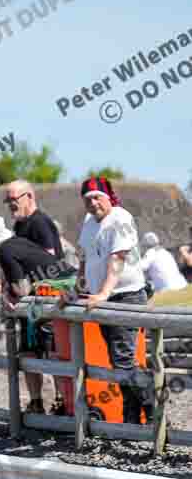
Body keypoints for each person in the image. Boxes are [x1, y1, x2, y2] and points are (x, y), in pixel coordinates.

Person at [75, 176, 152, 424]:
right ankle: (131, 417)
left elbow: (118, 258)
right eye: (87, 199)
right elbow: (85, 256)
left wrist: (104, 293)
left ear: (108, 197)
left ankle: (153, 405)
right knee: (118, 362)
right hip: (102, 297)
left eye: (97, 197)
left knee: (123, 361)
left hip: (125, 296)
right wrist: (80, 283)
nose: (93, 203)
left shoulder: (121, 218)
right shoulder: (88, 221)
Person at [0, 216, 74, 414]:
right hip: (59, 291)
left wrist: (7, 292)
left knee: (41, 352)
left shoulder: (4, 251)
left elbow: (21, 289)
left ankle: (48, 403)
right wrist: (2, 288)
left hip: (48, 300)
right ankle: (60, 402)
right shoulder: (18, 242)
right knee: (48, 352)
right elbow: (28, 277)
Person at [4, 181, 64, 259]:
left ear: (29, 196)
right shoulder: (19, 224)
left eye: (14, 199)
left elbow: (49, 259)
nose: (11, 204)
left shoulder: (39, 222)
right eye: (8, 200)